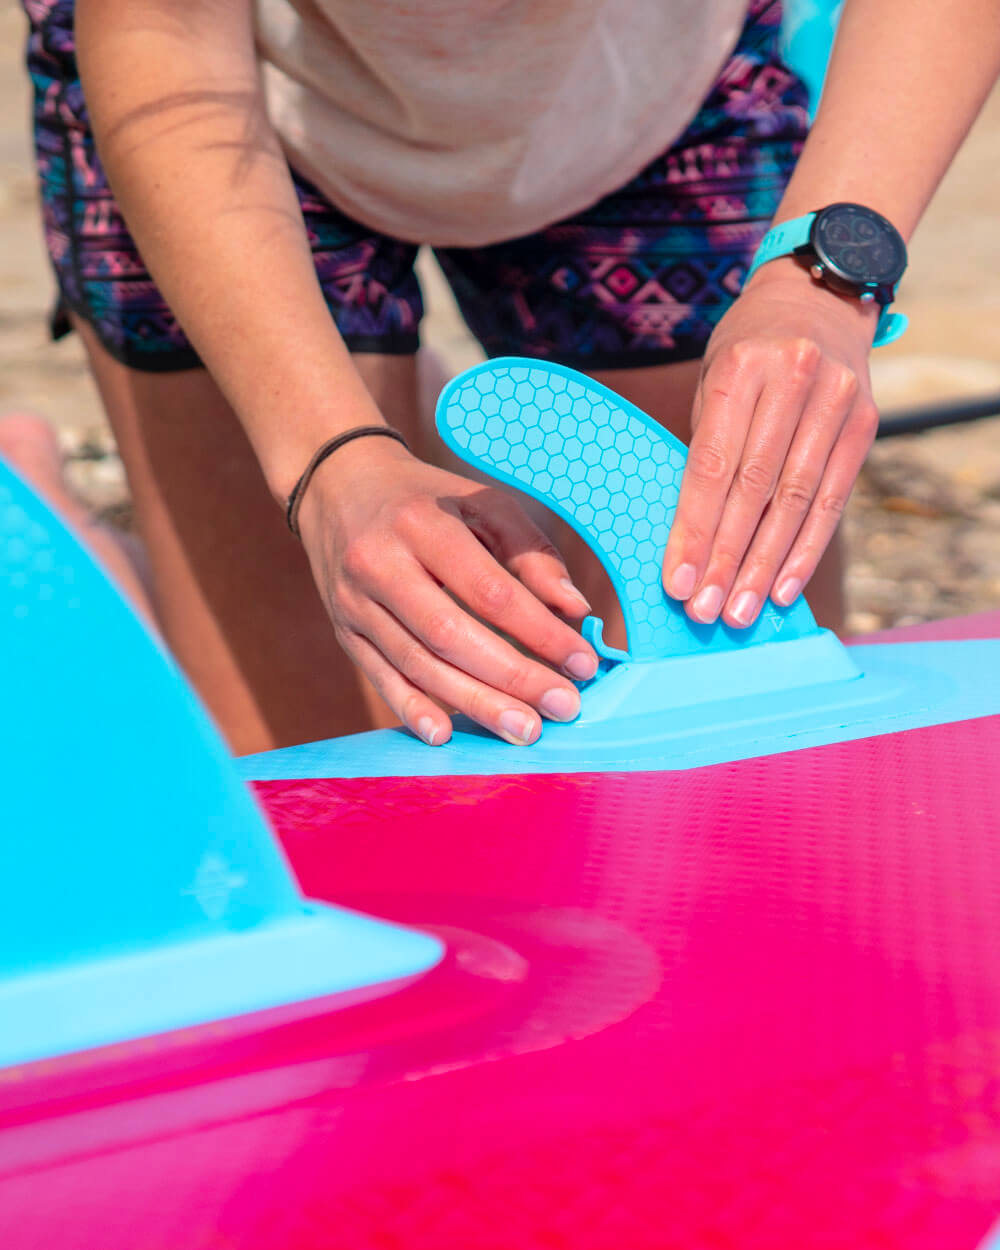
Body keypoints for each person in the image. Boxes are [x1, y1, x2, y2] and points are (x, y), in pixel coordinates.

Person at [19, 0, 1000, 755]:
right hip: (230, 87)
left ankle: (400, 410)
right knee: (333, 766)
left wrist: (822, 274)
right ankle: (64, 515)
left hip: (650, 78)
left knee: (740, 680)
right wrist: (329, 460)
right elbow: (167, 38)